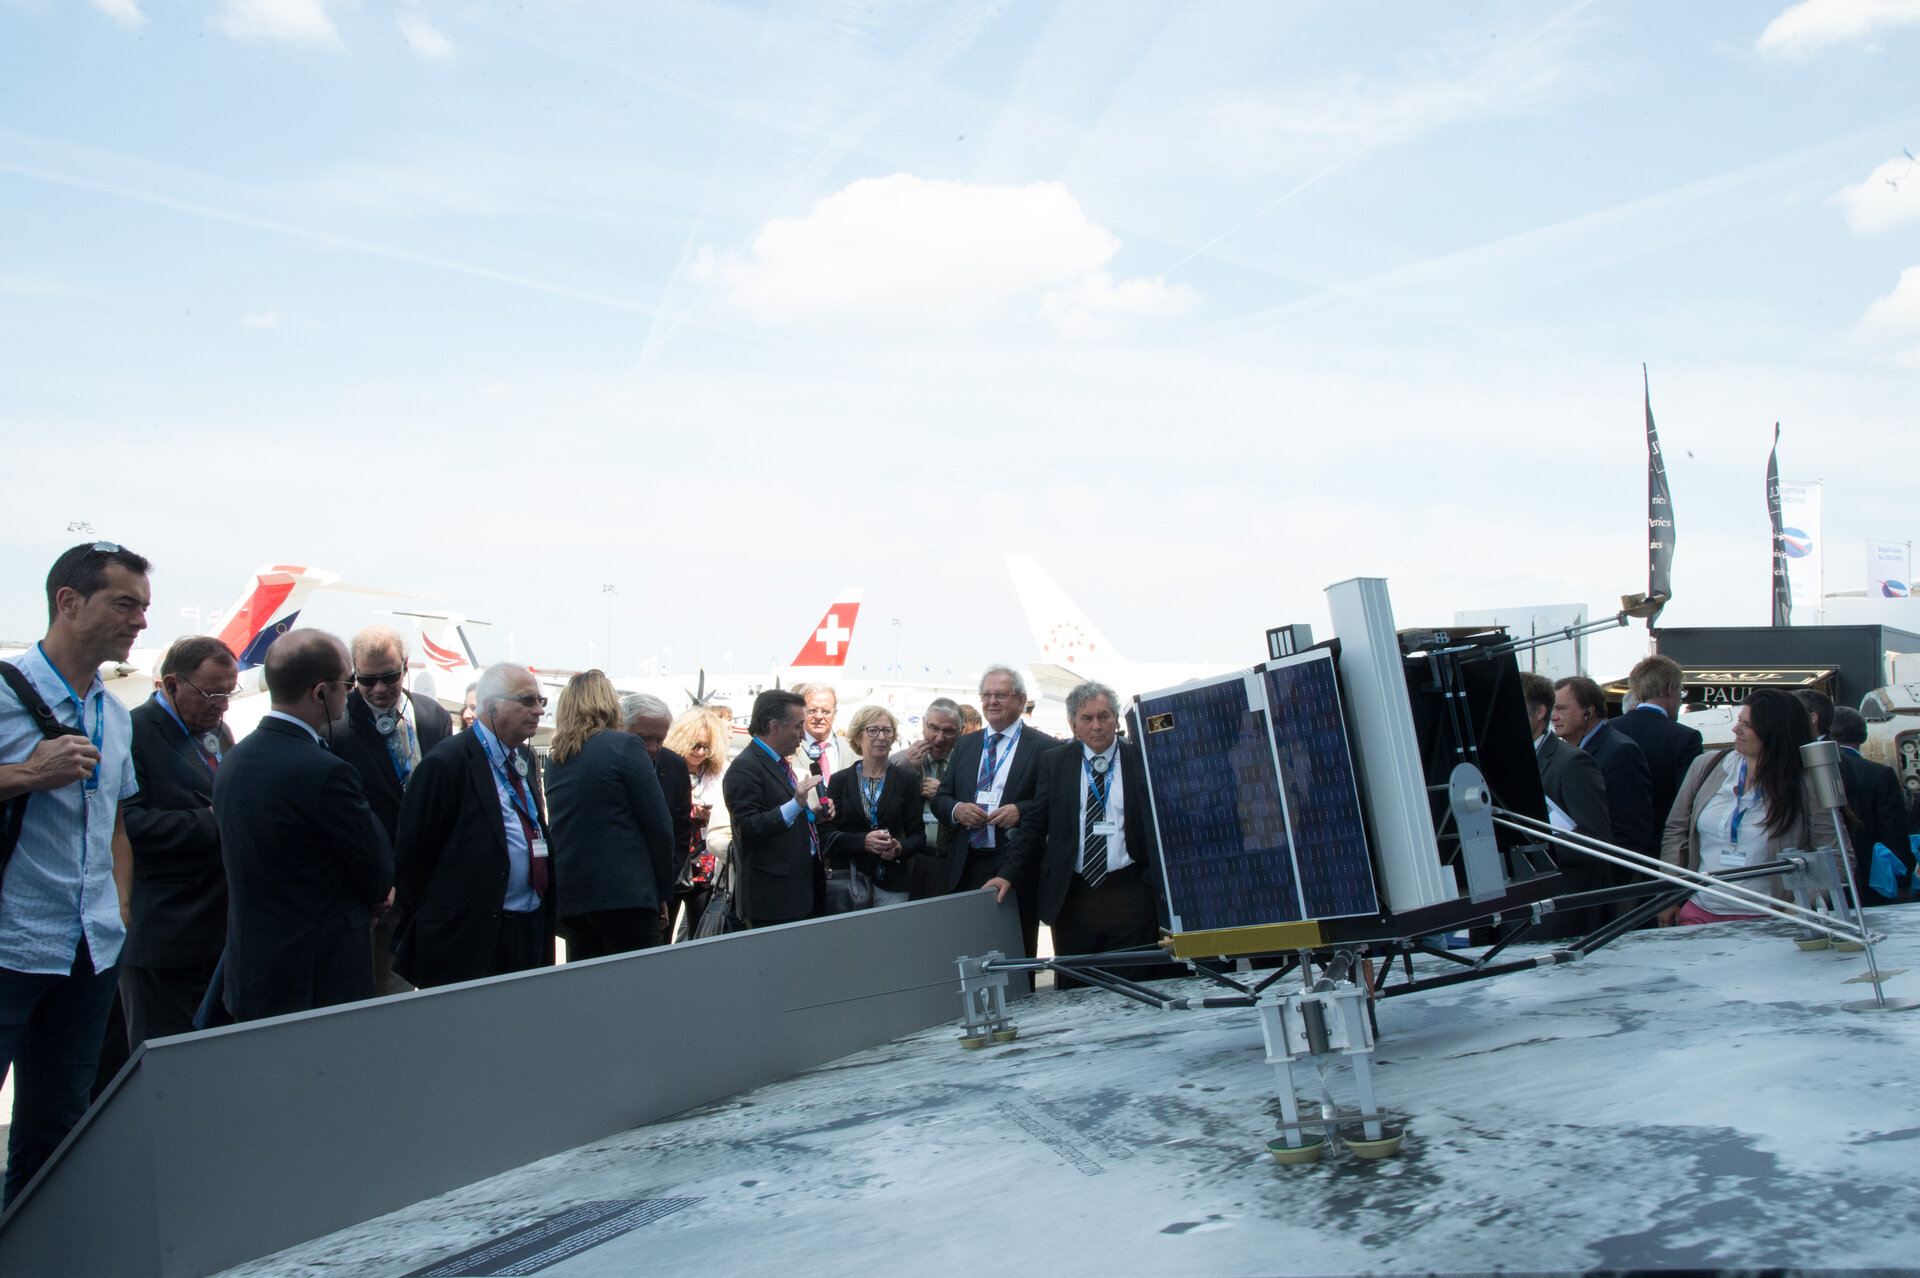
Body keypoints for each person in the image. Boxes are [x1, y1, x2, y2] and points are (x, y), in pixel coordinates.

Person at [0, 542, 148, 1204]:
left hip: (88, 951)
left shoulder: (114, 714)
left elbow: (116, 821)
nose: (140, 621)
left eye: (144, 608)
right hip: (10, 942)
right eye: (126, 604)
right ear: (69, 602)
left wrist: (117, 907)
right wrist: (30, 774)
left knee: (58, 1129)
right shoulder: (4, 693)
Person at [215, 630, 393, 1023]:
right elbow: (375, 865)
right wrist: (379, 893)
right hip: (316, 978)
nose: (351, 694)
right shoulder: (325, 771)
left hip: (251, 972)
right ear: (320, 693)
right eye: (347, 684)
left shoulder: (234, 759)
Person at [393, 663, 555, 987]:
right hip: (466, 941)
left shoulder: (520, 758)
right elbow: (412, 856)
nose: (538, 711)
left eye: (541, 701)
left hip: (526, 930)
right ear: (492, 707)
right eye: (527, 701)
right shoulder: (447, 763)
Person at [986, 681, 1162, 976]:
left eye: (1104, 716)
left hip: (1131, 895)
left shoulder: (1139, 760)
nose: (1096, 726)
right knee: (1080, 988)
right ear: (1073, 724)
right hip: (1074, 897)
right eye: (1087, 718)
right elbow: (1034, 824)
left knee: (1137, 983)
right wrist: (1007, 874)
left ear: (1116, 719)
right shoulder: (1055, 763)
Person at [121, 635, 238, 1046]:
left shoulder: (219, 731)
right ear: (171, 685)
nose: (222, 703)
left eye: (229, 692)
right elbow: (126, 825)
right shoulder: (133, 731)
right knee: (165, 1064)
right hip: (165, 935)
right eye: (211, 693)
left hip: (216, 934)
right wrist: (211, 822)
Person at [328, 625, 453, 995]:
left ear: (405, 666)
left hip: (431, 883)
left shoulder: (433, 716)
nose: (379, 689)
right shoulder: (337, 726)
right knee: (379, 989)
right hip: (377, 891)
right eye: (367, 679)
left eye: (389, 677)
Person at [1659, 688, 1837, 926]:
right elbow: (1675, 831)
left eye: (1747, 725)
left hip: (1772, 920)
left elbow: (1836, 858)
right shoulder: (1706, 766)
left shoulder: (1806, 783)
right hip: (1699, 913)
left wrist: (1802, 904)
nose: (1735, 729)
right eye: (1738, 721)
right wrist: (1670, 893)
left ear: (1774, 732)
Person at [544, 673, 676, 958]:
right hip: (626, 895)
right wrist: (662, 891)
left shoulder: (557, 758)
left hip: (575, 898)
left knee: (589, 990)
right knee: (637, 988)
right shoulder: (625, 746)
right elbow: (660, 826)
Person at [931, 665, 1058, 960]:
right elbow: (941, 798)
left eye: (1001, 694)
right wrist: (957, 809)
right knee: (966, 955)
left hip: (1014, 865)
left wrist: (1020, 810)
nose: (992, 702)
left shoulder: (1045, 748)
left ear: (1021, 699)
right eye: (986, 695)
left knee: (1015, 956)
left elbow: (1052, 805)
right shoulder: (966, 744)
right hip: (967, 864)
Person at [1520, 672, 1612, 938]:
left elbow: (1597, 840)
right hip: (1522, 911)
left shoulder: (1571, 762)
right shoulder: (1509, 760)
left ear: (1539, 712)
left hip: (1564, 914)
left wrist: (1535, 850)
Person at [722, 689, 824, 927]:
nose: (803, 735)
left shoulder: (776, 763)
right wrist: (796, 804)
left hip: (797, 894)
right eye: (798, 726)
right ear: (774, 727)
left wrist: (811, 816)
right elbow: (749, 827)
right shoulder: (745, 768)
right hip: (772, 902)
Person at [1806, 696, 1913, 905]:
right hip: (1871, 878)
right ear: (1863, 736)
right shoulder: (1880, 773)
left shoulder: (1810, 769)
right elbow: (1894, 832)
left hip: (1822, 877)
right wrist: (1903, 882)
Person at [822, 706, 923, 911]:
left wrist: (898, 848)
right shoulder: (840, 780)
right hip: (850, 881)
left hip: (892, 883)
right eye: (873, 730)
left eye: (887, 731)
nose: (881, 737)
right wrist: (863, 842)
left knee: (889, 940)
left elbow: (917, 836)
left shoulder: (906, 780)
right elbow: (827, 834)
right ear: (858, 736)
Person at [1552, 676, 1656, 856]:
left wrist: (1610, 878)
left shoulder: (1620, 751)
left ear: (1589, 711)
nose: (1553, 717)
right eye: (1553, 708)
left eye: (1561, 708)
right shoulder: (1568, 751)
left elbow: (1630, 831)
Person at [1610, 655, 1704, 831]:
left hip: (1612, 840)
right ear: (1670, 689)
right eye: (1681, 691)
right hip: (1661, 840)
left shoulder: (1608, 730)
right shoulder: (1686, 737)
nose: (1681, 699)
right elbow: (1689, 799)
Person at [662, 708, 731, 939]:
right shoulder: (667, 768)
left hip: (704, 866)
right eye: (696, 745)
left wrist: (713, 815)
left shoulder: (718, 771)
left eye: (707, 747)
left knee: (700, 933)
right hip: (673, 863)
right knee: (663, 931)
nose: (701, 752)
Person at [891, 698, 963, 900]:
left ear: (961, 730)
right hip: (910, 858)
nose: (939, 738)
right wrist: (908, 769)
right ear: (923, 723)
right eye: (933, 728)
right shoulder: (899, 760)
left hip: (950, 860)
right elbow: (887, 805)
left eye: (949, 731)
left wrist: (944, 796)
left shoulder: (968, 764)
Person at [621, 693, 694, 892]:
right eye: (644, 739)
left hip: (659, 883)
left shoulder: (675, 765)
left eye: (659, 740)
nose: (653, 748)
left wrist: (665, 879)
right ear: (622, 729)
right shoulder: (607, 764)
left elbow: (681, 828)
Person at [791, 682, 851, 785]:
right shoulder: (789, 750)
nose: (819, 716)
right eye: (812, 710)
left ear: (835, 713)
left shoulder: (853, 749)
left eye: (825, 711)